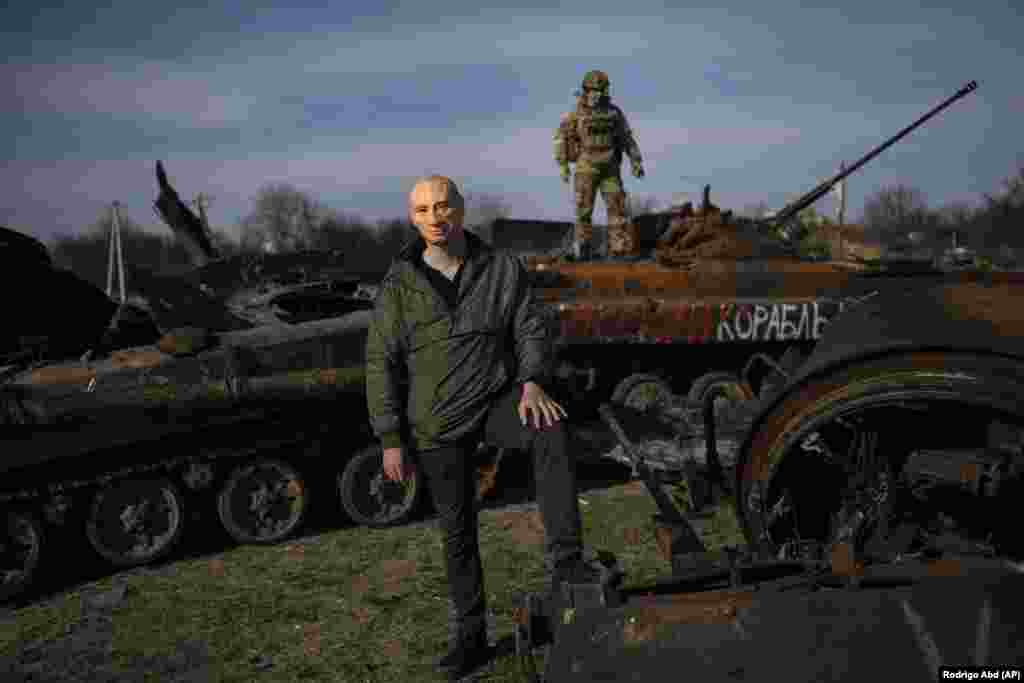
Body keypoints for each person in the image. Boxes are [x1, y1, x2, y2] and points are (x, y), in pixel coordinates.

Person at [365, 175, 598, 679]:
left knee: (549, 428)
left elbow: (530, 326)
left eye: (443, 206)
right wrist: (390, 438)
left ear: (461, 209)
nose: (435, 218)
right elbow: (379, 363)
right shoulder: (398, 287)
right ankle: (471, 638)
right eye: (424, 210)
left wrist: (533, 381)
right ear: (413, 218)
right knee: (458, 529)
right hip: (437, 424)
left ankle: (567, 566)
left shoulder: (500, 268)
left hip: (494, 401)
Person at [553, 70, 646, 261]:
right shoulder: (577, 113)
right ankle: (583, 249)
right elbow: (561, 137)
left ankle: (619, 250)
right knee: (583, 210)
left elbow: (626, 138)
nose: (601, 93)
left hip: (610, 169)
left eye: (603, 89)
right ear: (587, 90)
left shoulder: (614, 112)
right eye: (597, 89)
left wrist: (636, 161)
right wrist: (563, 165)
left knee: (617, 209)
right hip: (586, 168)